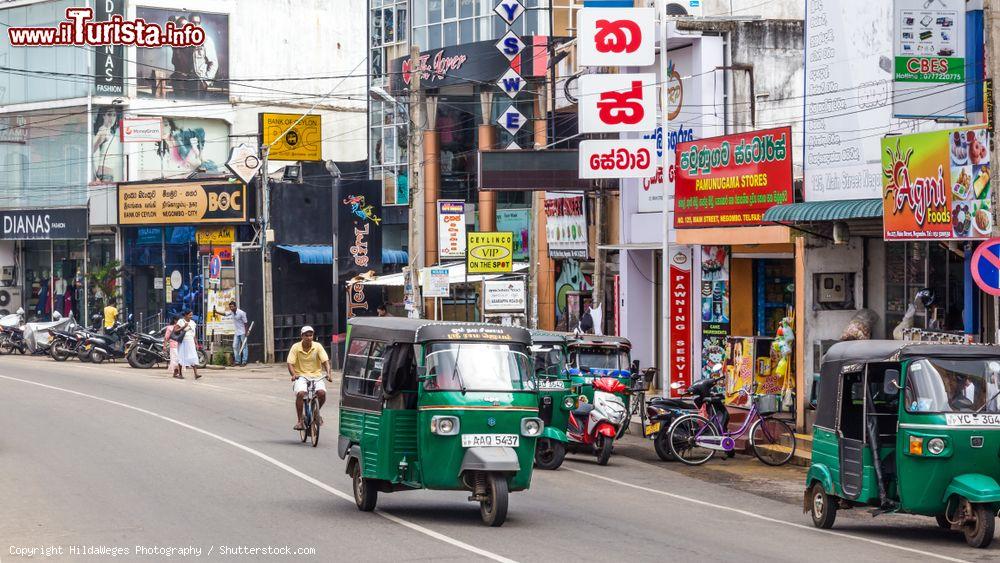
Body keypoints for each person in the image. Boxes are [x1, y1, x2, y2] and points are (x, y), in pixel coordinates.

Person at [287, 325, 332, 431]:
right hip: (301, 376)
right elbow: (290, 363)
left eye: (311, 335)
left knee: (322, 393)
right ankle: (300, 421)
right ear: (302, 336)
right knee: (301, 393)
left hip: (316, 376)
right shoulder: (295, 347)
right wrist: (293, 374)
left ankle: (316, 413)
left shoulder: (318, 346)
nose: (309, 337)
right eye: (306, 335)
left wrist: (329, 374)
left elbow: (325, 361)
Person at [175, 310, 201, 380]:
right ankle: (180, 374)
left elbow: (194, 334)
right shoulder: (181, 321)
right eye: (190, 315)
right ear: (185, 315)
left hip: (191, 342)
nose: (191, 316)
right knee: (181, 357)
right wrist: (183, 327)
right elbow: (175, 330)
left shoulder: (192, 323)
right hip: (183, 342)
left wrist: (196, 343)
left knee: (193, 356)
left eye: (192, 315)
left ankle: (196, 374)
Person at [227, 301, 249, 366]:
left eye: (232, 307)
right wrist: (216, 312)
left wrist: (246, 332)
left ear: (235, 306)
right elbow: (225, 314)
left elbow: (245, 323)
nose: (231, 308)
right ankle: (237, 361)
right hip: (237, 332)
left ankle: (244, 361)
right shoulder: (231, 312)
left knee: (244, 346)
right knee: (235, 346)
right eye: (230, 307)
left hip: (242, 332)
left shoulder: (241, 313)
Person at [163, 315, 182, 379]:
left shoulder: (181, 327)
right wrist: (164, 345)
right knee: (175, 359)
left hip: (180, 345)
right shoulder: (170, 327)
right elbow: (166, 337)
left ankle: (177, 372)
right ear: (175, 321)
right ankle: (176, 372)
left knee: (179, 359)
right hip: (173, 345)